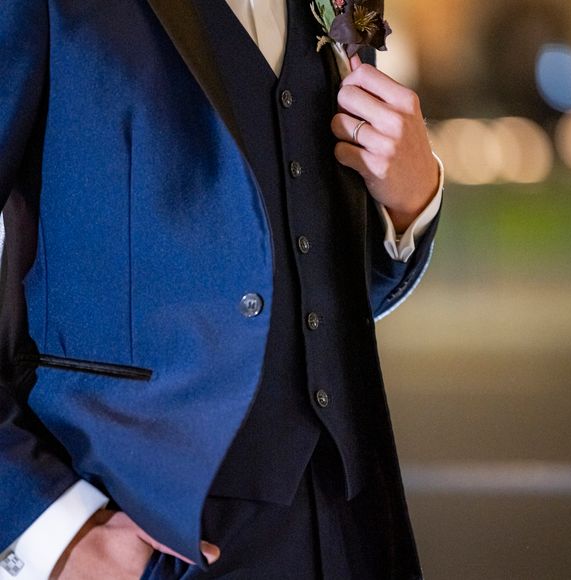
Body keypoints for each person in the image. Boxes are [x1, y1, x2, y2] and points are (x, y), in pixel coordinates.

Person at [0, 0, 443, 578]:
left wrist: (409, 204)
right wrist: (49, 530)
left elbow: (307, 278)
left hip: (346, 528)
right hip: (142, 522)